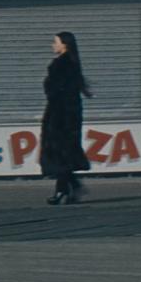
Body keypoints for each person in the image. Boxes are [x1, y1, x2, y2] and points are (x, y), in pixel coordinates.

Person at [40, 31, 93, 205]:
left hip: (61, 117)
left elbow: (59, 92)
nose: (53, 45)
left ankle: (62, 190)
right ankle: (73, 187)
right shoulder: (71, 64)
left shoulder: (62, 65)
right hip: (66, 115)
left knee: (60, 154)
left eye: (55, 42)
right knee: (63, 154)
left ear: (65, 45)